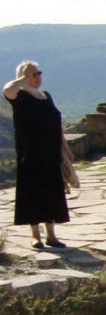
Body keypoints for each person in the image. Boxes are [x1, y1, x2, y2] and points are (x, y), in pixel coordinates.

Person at [3, 61, 73, 249]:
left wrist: (65, 148)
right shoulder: (20, 96)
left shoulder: (46, 96)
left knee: (51, 192)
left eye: (38, 73)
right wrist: (23, 79)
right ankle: (36, 236)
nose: (36, 77)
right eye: (32, 75)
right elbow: (8, 90)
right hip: (31, 152)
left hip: (50, 153)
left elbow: (56, 124)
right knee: (32, 193)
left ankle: (51, 235)